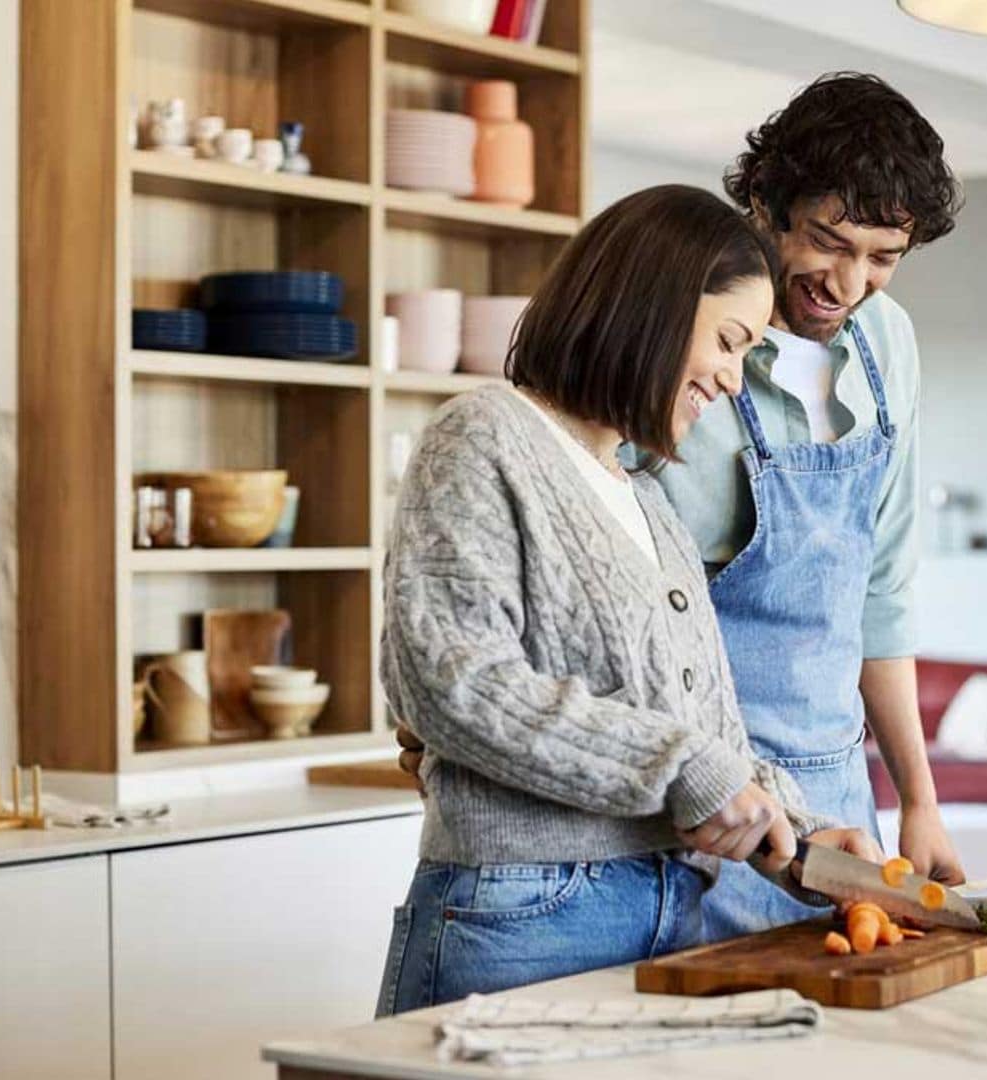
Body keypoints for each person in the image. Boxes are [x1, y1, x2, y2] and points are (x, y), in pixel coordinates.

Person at [374, 185, 878, 1016]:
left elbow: (701, 730)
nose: (729, 377)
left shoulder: (646, 500)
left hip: (670, 907)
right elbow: (450, 683)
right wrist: (686, 770)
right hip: (524, 914)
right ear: (651, 305)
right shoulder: (483, 437)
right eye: (726, 341)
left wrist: (799, 831)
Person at [654, 72, 968, 940]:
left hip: (834, 802)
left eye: (882, 258)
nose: (849, 282)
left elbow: (882, 592)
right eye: (829, 242)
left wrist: (919, 801)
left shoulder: (885, 340)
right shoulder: (681, 335)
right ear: (764, 201)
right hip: (700, 803)